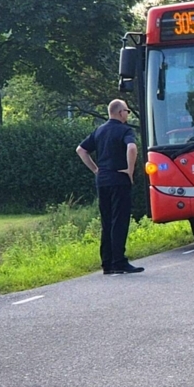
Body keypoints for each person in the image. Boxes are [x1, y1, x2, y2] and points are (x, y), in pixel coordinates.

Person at [76, 99, 143, 274]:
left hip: (103, 180)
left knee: (107, 221)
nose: (127, 114)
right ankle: (119, 261)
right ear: (121, 112)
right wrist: (129, 170)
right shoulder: (125, 130)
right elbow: (132, 148)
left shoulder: (99, 130)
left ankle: (107, 263)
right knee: (119, 220)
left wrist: (95, 169)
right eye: (127, 111)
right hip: (119, 179)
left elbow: (81, 150)